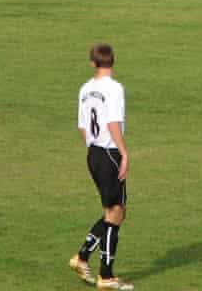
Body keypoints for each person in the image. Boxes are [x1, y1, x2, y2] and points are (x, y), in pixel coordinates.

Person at [70, 44, 135, 290]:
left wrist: (94, 147)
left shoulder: (86, 89)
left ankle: (83, 258)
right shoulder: (115, 89)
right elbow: (113, 122)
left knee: (116, 211)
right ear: (113, 61)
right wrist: (124, 153)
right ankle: (105, 275)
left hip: (94, 152)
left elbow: (82, 126)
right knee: (115, 212)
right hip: (109, 153)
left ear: (93, 63)